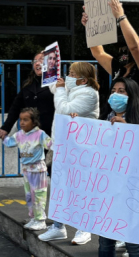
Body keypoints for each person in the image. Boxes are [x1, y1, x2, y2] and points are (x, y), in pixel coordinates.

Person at [82, 0, 139, 257]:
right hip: (114, 135)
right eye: (121, 49)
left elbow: (136, 46)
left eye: (128, 49)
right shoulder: (118, 72)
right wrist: (90, 27)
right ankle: (128, 235)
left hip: (134, 132)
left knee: (134, 187)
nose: (124, 52)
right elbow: (97, 52)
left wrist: (120, 16)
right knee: (117, 186)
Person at [96, 77, 139, 257]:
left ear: (132, 95)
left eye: (122, 91)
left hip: (131, 187)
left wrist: (127, 129)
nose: (116, 94)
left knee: (134, 244)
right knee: (105, 241)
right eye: (114, 90)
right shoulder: (104, 119)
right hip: (107, 185)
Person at [38, 61, 99, 245]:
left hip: (81, 150)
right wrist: (48, 69)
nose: (68, 76)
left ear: (83, 79)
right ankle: (58, 226)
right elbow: (53, 88)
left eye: (72, 73)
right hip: (63, 147)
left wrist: (61, 89)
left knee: (80, 189)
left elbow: (64, 109)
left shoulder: (89, 94)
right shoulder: (71, 90)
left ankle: (84, 228)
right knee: (59, 187)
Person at [1, 107, 52, 231]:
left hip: (38, 170)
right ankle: (33, 217)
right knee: (29, 195)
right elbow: (9, 142)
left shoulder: (40, 134)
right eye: (20, 120)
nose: (22, 122)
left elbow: (50, 144)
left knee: (39, 195)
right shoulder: (19, 135)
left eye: (26, 120)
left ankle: (41, 219)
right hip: (26, 170)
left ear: (34, 122)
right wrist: (2, 135)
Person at [0, 52, 55, 139]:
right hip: (32, 135)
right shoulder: (28, 85)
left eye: (41, 60)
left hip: (53, 134)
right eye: (35, 61)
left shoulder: (57, 83)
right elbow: (16, 107)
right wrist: (6, 128)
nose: (37, 63)